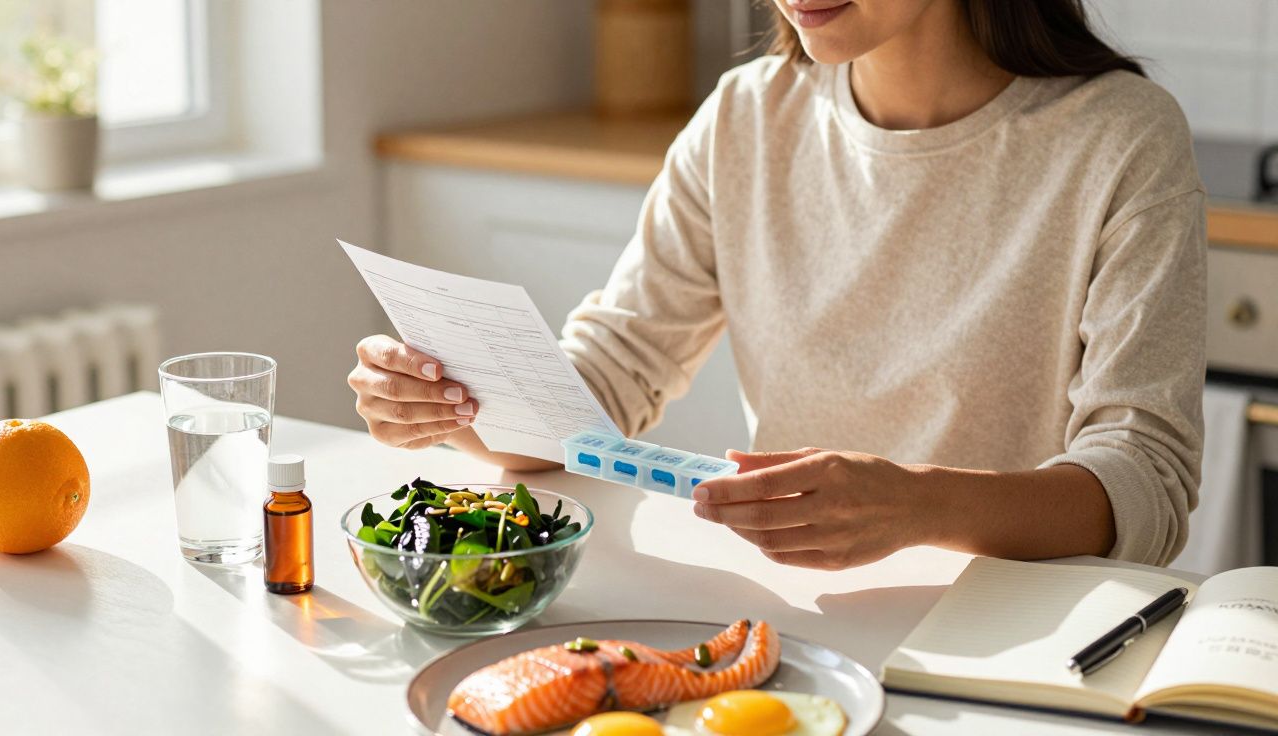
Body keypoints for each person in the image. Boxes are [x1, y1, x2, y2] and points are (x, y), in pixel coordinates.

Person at [348, 0, 1205, 571]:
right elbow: (605, 380)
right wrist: (453, 400)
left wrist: (914, 505)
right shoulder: (747, 117)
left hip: (1011, 639)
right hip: (797, 624)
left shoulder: (1120, 139)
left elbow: (1145, 484)